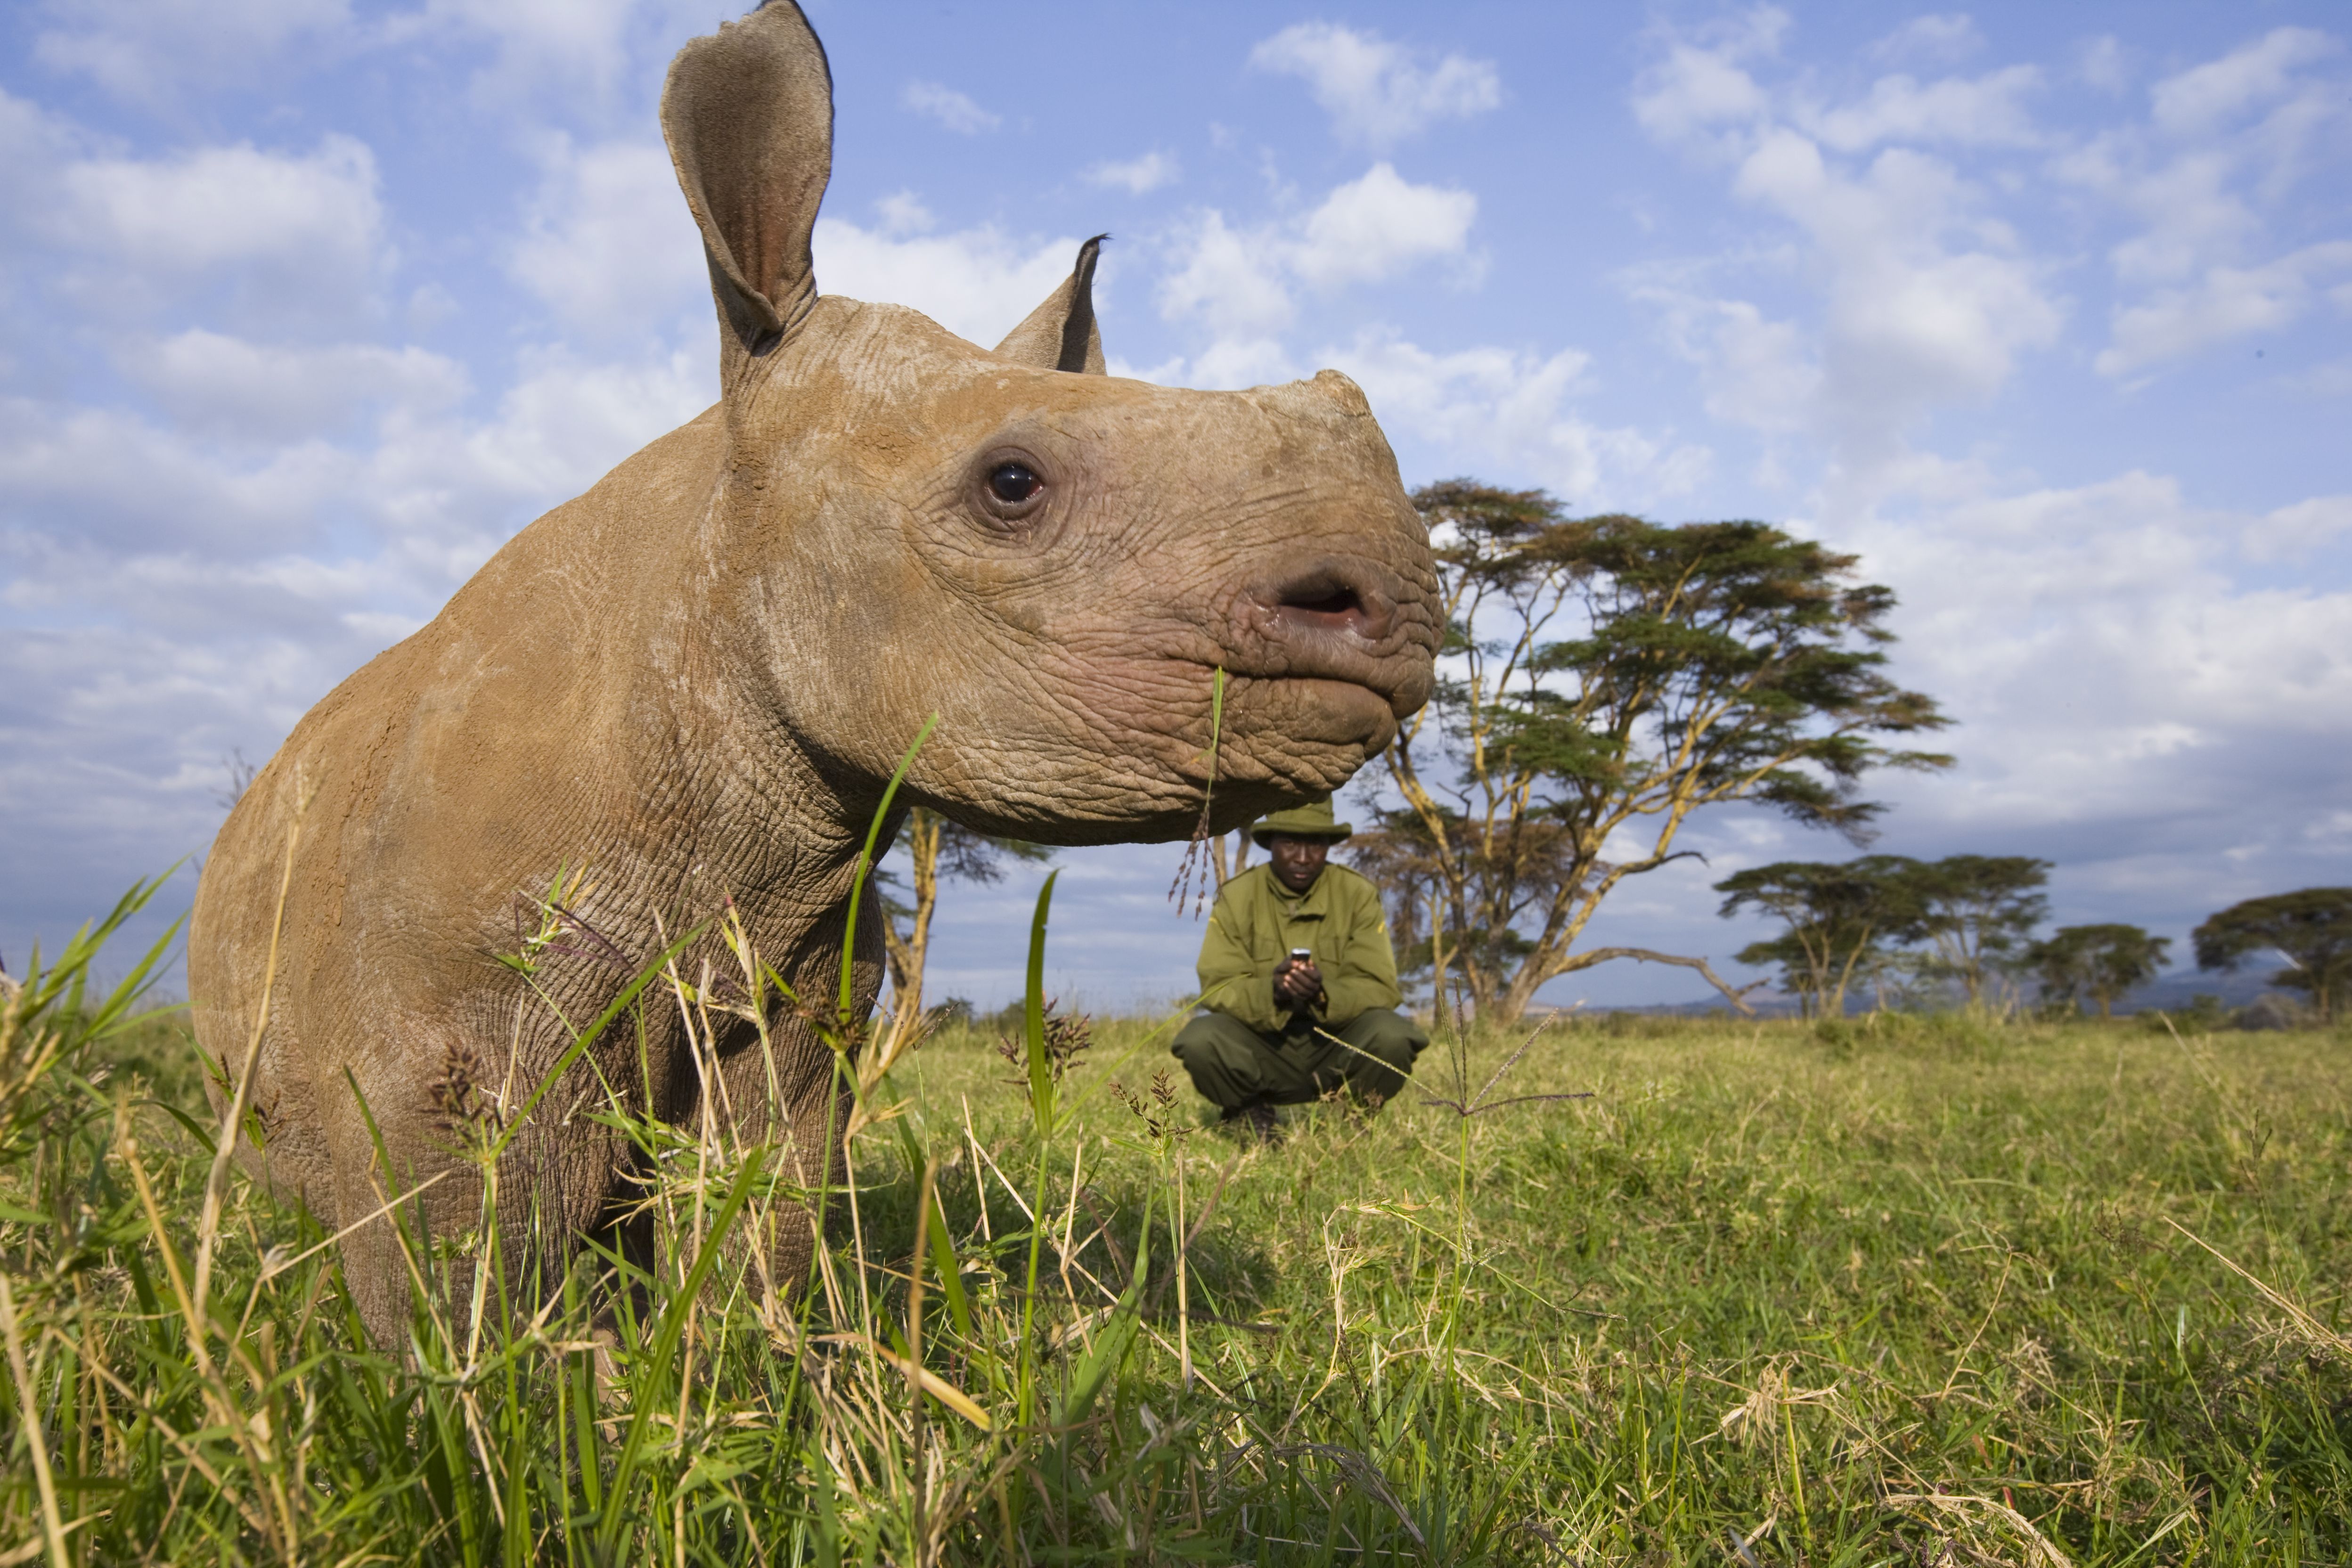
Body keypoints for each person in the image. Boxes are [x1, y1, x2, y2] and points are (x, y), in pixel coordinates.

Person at [1172, 797, 1429, 1140]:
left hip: (1335, 1046)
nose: (1304, 858)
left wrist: (1324, 994)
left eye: (1316, 844)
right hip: (1263, 1048)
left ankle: (1350, 1120)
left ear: (1328, 846)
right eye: (1291, 844)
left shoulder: (1358, 894)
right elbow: (1219, 985)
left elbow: (1380, 986)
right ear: (1271, 843)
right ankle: (1250, 1116)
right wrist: (1273, 993)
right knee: (1200, 1038)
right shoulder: (1237, 896)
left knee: (1394, 1035)